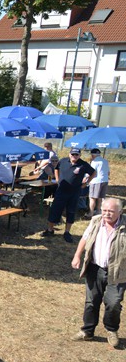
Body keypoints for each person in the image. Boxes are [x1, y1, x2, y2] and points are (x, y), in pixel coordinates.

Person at [70, 198, 125, 348]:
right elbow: (85, 238)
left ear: (120, 212)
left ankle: (112, 330)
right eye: (104, 210)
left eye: (111, 211)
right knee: (91, 301)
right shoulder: (96, 221)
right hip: (95, 268)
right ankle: (87, 331)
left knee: (113, 302)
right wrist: (77, 256)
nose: (107, 214)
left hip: (118, 271)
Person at [42, 147, 96, 243]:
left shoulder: (83, 164)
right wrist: (57, 179)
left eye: (76, 154)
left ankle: (67, 232)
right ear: (69, 154)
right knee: (55, 210)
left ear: (80, 155)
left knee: (71, 212)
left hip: (74, 193)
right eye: (73, 154)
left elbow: (94, 173)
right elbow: (56, 168)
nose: (74, 156)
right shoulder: (63, 161)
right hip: (61, 191)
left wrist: (86, 183)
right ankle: (50, 230)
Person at [85, 148, 109, 218]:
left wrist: (85, 178)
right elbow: (108, 172)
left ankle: (91, 213)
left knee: (92, 198)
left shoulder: (94, 161)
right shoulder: (105, 161)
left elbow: (92, 172)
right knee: (100, 197)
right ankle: (98, 211)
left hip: (96, 181)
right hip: (105, 180)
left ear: (92, 155)